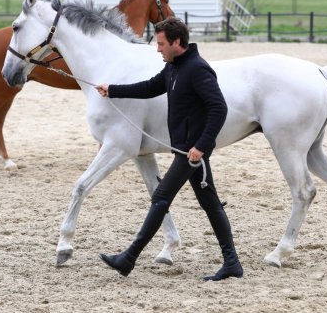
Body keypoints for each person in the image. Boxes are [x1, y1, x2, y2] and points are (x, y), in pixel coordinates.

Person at [95, 17, 243, 281]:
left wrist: (201, 146)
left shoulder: (197, 69)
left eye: (161, 43)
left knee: (161, 197)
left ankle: (128, 258)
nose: (158, 48)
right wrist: (112, 90)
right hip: (185, 149)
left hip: (191, 153)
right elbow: (150, 87)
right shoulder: (173, 67)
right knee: (210, 203)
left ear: (177, 42)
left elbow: (219, 108)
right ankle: (232, 263)